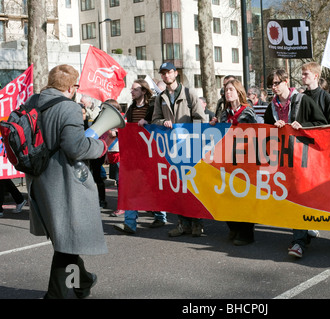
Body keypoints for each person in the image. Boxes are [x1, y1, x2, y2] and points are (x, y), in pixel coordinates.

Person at [25, 64, 107, 298]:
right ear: (72, 87)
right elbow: (76, 147)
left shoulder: (32, 102)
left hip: (39, 180)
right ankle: (56, 295)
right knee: (67, 241)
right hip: (63, 182)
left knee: (65, 239)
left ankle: (82, 282)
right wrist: (101, 145)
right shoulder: (68, 108)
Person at [263, 69, 328, 258]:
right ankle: (303, 233)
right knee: (292, 199)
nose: (273, 88)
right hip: (283, 160)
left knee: (299, 198)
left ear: (285, 81)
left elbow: (322, 124)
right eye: (271, 85)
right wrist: (273, 128)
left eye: (276, 83)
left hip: (303, 159)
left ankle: (298, 242)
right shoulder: (272, 107)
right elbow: (265, 131)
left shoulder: (303, 100)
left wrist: (304, 126)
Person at [152, 62, 208, 238]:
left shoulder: (189, 93)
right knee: (177, 189)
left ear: (176, 73)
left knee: (193, 187)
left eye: (169, 72)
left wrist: (190, 134)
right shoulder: (160, 98)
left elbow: (201, 119)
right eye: (163, 73)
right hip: (172, 149)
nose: (166, 76)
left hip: (191, 147)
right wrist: (163, 123)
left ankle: (197, 224)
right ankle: (182, 224)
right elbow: (155, 120)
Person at [114, 79, 167, 233]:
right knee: (132, 186)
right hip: (134, 153)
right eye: (131, 89)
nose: (131, 92)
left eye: (135, 89)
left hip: (151, 153)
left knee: (153, 185)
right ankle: (130, 223)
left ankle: (160, 216)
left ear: (144, 91)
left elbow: (158, 124)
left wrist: (149, 121)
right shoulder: (131, 109)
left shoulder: (152, 107)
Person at [210, 79, 258, 245]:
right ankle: (234, 227)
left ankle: (246, 233)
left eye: (230, 89)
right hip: (228, 160)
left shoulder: (248, 112)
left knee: (243, 197)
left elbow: (253, 136)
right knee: (227, 195)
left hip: (245, 160)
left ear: (238, 91)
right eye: (225, 90)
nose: (227, 92)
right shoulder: (224, 113)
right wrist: (215, 126)